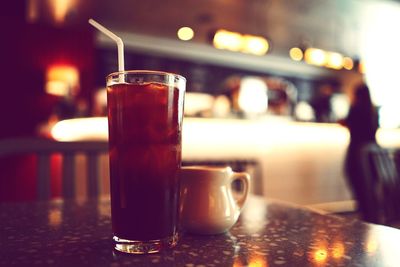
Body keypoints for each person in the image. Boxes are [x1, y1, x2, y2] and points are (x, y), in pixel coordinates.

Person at [341, 83, 379, 222]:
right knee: (369, 188)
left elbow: (347, 123)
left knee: (357, 182)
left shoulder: (355, 108)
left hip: (357, 153)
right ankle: (370, 215)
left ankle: (365, 214)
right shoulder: (373, 110)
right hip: (372, 153)